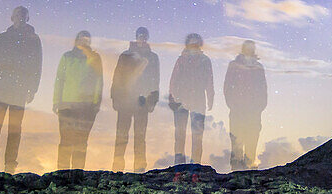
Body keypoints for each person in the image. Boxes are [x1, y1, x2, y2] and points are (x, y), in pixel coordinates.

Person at [0, 5, 42, 173]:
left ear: (27, 18)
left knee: (14, 130)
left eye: (23, 15)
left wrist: (33, 89)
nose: (20, 17)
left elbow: (37, 66)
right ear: (12, 17)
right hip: (0, 90)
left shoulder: (33, 40)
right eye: (18, 14)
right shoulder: (2, 38)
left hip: (19, 91)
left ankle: (9, 165)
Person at [110, 26, 160, 172]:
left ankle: (139, 169)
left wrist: (152, 101)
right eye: (140, 36)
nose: (142, 38)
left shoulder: (152, 58)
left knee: (140, 137)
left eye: (144, 36)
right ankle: (117, 168)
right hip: (125, 100)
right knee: (121, 136)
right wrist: (115, 97)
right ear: (136, 37)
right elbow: (117, 77)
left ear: (147, 38)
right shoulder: (125, 55)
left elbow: (155, 80)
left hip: (142, 101)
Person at [53, 30, 103, 169]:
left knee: (81, 142)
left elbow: (99, 80)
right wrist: (56, 101)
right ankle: (62, 173)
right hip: (66, 105)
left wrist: (95, 103)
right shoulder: (67, 57)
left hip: (86, 106)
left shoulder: (94, 58)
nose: (84, 42)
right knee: (65, 141)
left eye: (87, 40)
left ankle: (77, 173)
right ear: (76, 40)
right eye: (81, 39)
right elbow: (60, 79)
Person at [167, 33, 213, 164]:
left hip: (197, 101)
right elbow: (174, 80)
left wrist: (210, 97)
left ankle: (195, 168)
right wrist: (172, 98)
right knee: (180, 136)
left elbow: (209, 80)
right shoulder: (181, 60)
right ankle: (179, 167)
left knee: (197, 136)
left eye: (195, 44)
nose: (194, 46)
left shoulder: (205, 60)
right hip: (181, 101)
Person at [223, 40, 267, 170]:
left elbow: (263, 88)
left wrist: (260, 106)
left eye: (251, 48)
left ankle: (250, 168)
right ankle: (236, 170)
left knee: (252, 138)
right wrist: (232, 103)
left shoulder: (259, 67)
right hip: (237, 108)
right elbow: (227, 86)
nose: (249, 50)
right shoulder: (233, 65)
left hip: (254, 110)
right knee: (236, 138)